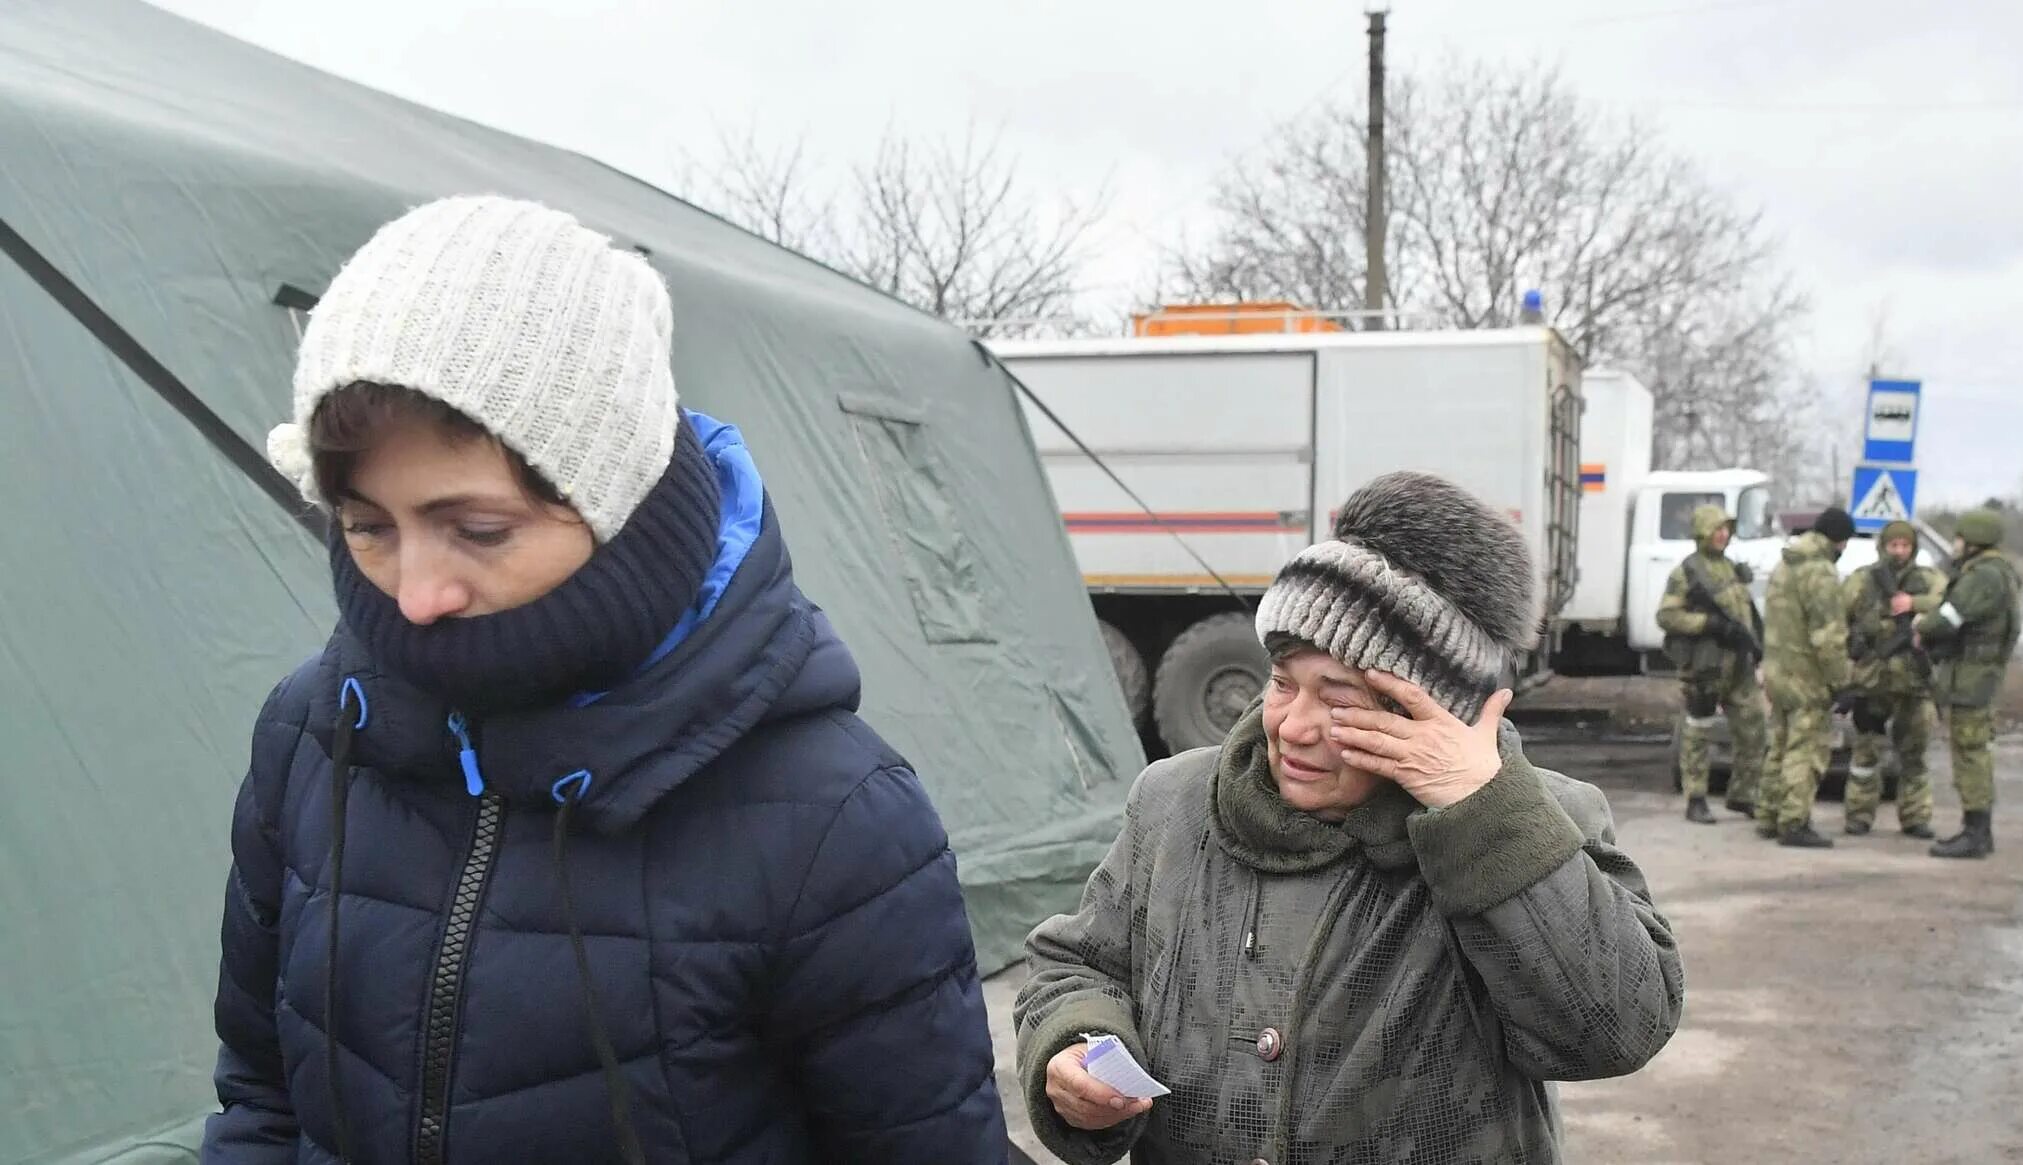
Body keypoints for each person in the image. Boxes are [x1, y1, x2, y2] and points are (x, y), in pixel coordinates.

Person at [203, 196, 1006, 1163]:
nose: (415, 595)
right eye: (368, 526)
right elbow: (259, 1094)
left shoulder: (838, 817)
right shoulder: (311, 733)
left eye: (480, 530)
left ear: (616, 504)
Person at [1013, 472, 1682, 1165]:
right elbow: (1077, 964)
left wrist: (1482, 811)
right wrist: (1072, 1044)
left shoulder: (1536, 824)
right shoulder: (1175, 802)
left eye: (1340, 698)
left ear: (1428, 714)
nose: (1293, 726)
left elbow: (1618, 1028)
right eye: (1282, 681)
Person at [1913, 508, 2023, 859]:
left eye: (1959, 538)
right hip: (1975, 674)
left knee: (1970, 753)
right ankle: (1976, 830)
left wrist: (1922, 628)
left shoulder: (1984, 576)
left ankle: (1975, 833)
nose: (1955, 545)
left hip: (1972, 678)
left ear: (1973, 540)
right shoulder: (1995, 572)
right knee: (1972, 751)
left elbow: (1949, 617)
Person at [1655, 504, 1767, 824]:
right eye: (1717, 528)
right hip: (1705, 666)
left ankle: (1744, 794)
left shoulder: (1730, 568)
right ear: (1703, 532)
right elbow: (1667, 616)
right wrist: (1708, 625)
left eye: (1726, 529)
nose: (1723, 534)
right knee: (1698, 733)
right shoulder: (1687, 572)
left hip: (1739, 666)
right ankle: (1696, 797)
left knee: (1755, 729)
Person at [1754, 506, 1855, 847]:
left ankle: (1768, 814)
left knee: (1779, 745)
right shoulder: (1821, 572)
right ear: (1839, 540)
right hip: (1807, 678)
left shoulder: (1786, 564)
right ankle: (1794, 821)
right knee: (1806, 749)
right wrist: (1841, 682)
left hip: (1778, 672)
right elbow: (1828, 636)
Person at [1838, 520, 1944, 837]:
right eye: (1893, 545)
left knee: (1914, 753)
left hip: (1914, 681)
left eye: (1905, 546)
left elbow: (1949, 606)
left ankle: (1915, 817)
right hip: (1872, 679)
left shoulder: (1928, 579)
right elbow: (1838, 617)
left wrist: (1914, 604)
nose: (1899, 552)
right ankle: (1858, 815)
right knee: (1865, 753)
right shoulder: (1862, 580)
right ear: (1883, 546)